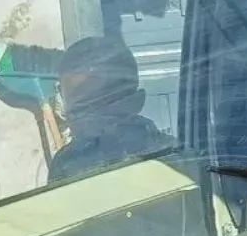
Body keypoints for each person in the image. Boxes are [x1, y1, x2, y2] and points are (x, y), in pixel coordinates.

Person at [47, 35, 172, 184]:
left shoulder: (170, 156)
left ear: (135, 101)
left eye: (103, 102)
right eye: (79, 107)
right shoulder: (65, 166)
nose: (89, 117)